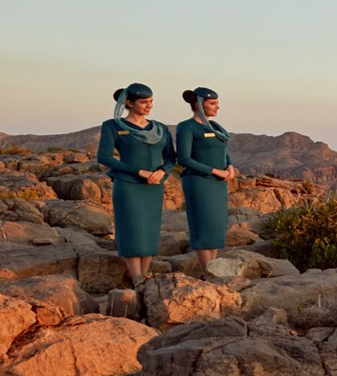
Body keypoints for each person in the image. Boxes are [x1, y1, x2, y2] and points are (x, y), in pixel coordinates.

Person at [96, 83, 174, 285]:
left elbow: (171, 158)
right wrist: (138, 171)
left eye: (151, 101)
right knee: (131, 228)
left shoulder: (160, 128)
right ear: (129, 103)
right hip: (127, 185)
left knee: (149, 229)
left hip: (154, 186)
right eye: (143, 102)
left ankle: (144, 277)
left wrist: (162, 172)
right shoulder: (113, 126)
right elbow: (104, 157)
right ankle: (136, 276)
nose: (149, 106)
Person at [174, 87, 237, 271]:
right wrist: (215, 171)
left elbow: (224, 151)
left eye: (217, 103)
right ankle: (206, 271)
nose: (217, 107)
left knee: (215, 228)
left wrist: (230, 166)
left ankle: (213, 270)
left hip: (219, 184)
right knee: (202, 227)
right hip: (198, 182)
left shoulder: (216, 127)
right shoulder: (186, 127)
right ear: (199, 105)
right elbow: (184, 159)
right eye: (213, 103)